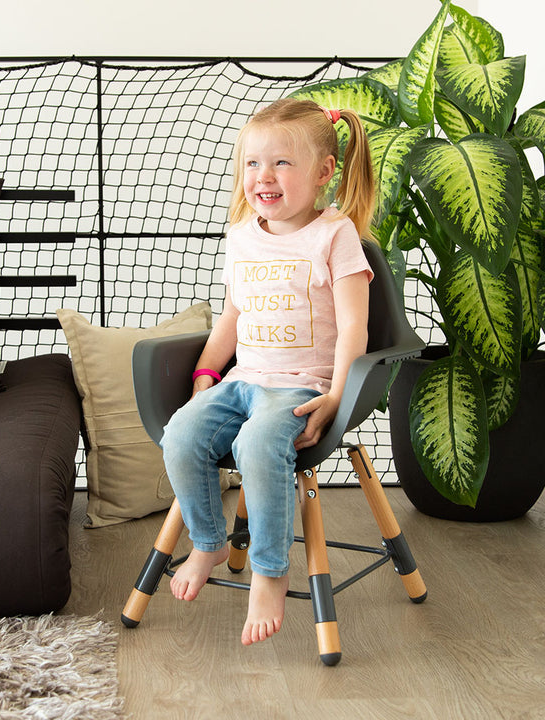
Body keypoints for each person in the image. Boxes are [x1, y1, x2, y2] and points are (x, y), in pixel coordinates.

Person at [161, 97, 376, 645]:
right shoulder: (242, 235)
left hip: (302, 388)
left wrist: (336, 398)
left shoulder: (335, 235)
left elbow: (355, 329)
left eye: (282, 162)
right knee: (180, 435)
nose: (264, 176)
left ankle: (270, 572)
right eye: (253, 163)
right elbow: (232, 319)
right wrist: (206, 377)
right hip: (243, 383)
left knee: (258, 446)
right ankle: (208, 543)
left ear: (323, 172)